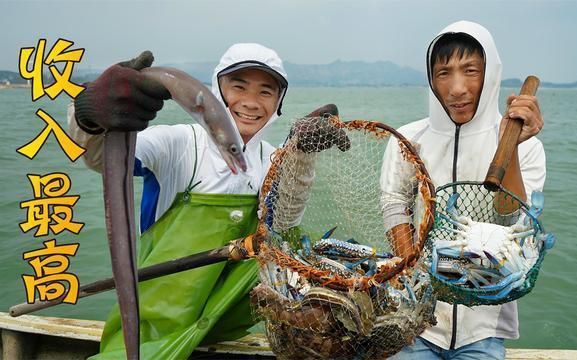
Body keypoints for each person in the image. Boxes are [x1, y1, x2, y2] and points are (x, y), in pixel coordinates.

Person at [67, 43, 332, 359]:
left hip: (225, 322)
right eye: (238, 86)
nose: (250, 102)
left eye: (266, 91)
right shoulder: (178, 143)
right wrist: (87, 114)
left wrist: (301, 157)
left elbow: (283, 224)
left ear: (278, 103)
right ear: (217, 90)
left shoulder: (272, 159)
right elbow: (98, 156)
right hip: (154, 325)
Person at [381, 21, 546, 359]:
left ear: (491, 75)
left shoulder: (527, 146)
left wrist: (510, 146)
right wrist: (415, 271)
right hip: (415, 319)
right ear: (431, 81)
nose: (457, 88)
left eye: (471, 70)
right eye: (444, 73)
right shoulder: (409, 139)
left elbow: (511, 219)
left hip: (483, 325)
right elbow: (395, 204)